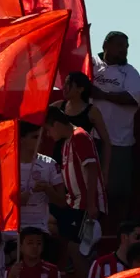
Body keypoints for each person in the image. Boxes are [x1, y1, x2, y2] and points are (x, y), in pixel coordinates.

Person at [44, 105, 105, 265]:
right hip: (73, 203)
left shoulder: (80, 136)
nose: (48, 135)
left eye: (48, 130)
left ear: (56, 124)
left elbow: (91, 170)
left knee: (75, 248)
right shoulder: (66, 143)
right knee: (48, 223)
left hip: (85, 204)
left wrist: (91, 204)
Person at [92, 32, 140, 218]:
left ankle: (120, 231)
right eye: (120, 45)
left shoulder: (129, 72)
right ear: (106, 45)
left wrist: (103, 95)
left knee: (118, 191)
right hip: (92, 138)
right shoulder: (91, 64)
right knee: (92, 188)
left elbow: (133, 98)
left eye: (126, 46)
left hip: (119, 141)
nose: (124, 50)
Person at [18, 122, 67, 236]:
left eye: (41, 136)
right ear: (21, 139)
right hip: (12, 230)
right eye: (35, 137)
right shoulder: (6, 164)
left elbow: (62, 202)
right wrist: (15, 200)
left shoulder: (49, 164)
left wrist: (48, 190)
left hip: (39, 227)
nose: (40, 141)